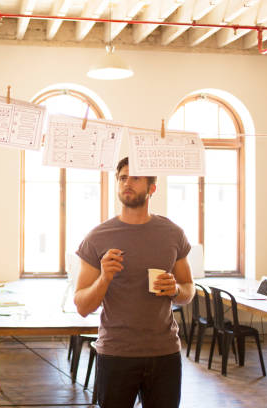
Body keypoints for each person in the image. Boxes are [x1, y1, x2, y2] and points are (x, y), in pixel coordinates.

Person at [74, 156, 195, 408]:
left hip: (164, 353)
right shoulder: (97, 238)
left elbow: (188, 290)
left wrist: (175, 289)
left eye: (136, 178)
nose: (127, 183)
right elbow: (82, 306)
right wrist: (105, 277)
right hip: (116, 353)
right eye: (122, 178)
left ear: (152, 188)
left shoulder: (173, 234)